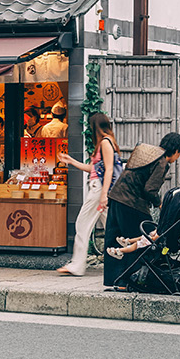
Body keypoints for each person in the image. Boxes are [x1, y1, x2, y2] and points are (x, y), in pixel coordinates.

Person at [103, 132, 180, 289]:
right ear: (176, 150)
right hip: (132, 203)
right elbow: (149, 190)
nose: (177, 158)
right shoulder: (161, 161)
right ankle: (129, 280)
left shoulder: (147, 152)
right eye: (179, 154)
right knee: (145, 239)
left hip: (116, 197)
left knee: (113, 238)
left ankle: (113, 279)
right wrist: (159, 204)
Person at [56, 112, 120, 277]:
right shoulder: (107, 141)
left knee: (82, 225)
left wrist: (104, 194)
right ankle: (124, 260)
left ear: (94, 126)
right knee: (113, 228)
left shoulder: (105, 143)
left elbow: (109, 170)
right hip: (100, 188)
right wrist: (71, 161)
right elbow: (95, 169)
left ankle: (77, 265)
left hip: (98, 189)